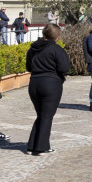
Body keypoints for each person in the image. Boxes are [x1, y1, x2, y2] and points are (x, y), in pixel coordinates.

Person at [26, 24, 70, 156]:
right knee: (46, 116)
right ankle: (41, 147)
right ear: (57, 36)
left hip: (34, 83)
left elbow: (29, 67)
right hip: (51, 83)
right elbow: (64, 68)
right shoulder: (56, 49)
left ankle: (32, 146)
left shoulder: (32, 48)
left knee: (41, 115)